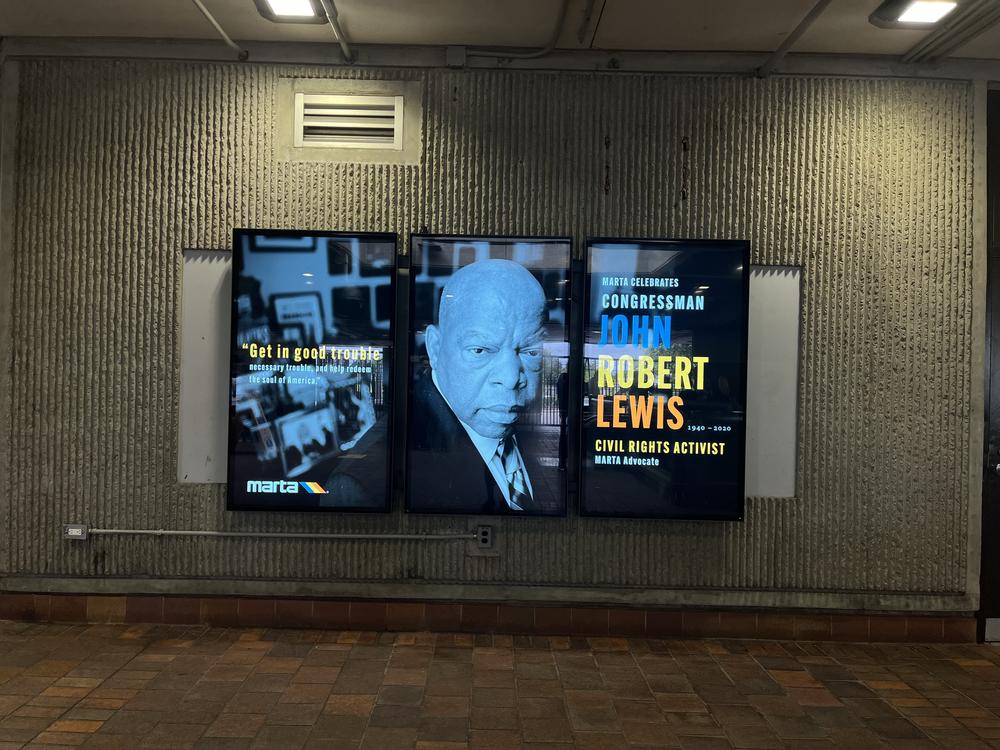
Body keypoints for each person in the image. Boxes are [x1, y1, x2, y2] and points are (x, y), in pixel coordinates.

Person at [408, 259, 556, 514]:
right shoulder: (365, 484)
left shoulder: (518, 432)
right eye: (480, 350)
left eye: (531, 351)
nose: (511, 377)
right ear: (435, 348)